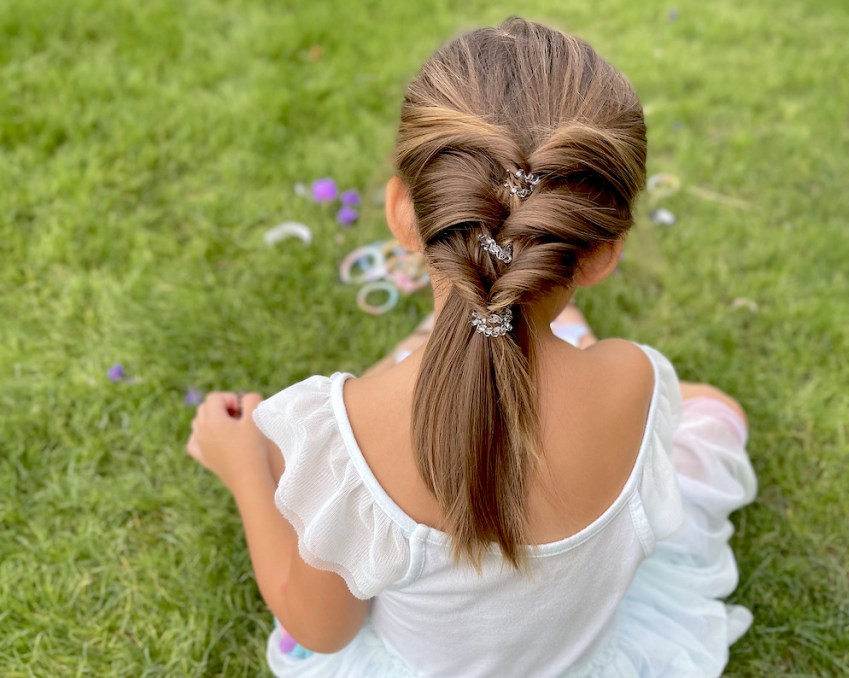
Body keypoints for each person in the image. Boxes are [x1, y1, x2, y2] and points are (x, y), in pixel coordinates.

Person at [186, 17, 757, 677]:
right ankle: (538, 340)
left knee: (296, 470)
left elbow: (318, 628)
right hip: (586, 653)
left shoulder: (346, 439)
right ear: (604, 255)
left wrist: (244, 471)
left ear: (403, 211)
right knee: (712, 409)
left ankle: (458, 342)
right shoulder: (637, 378)